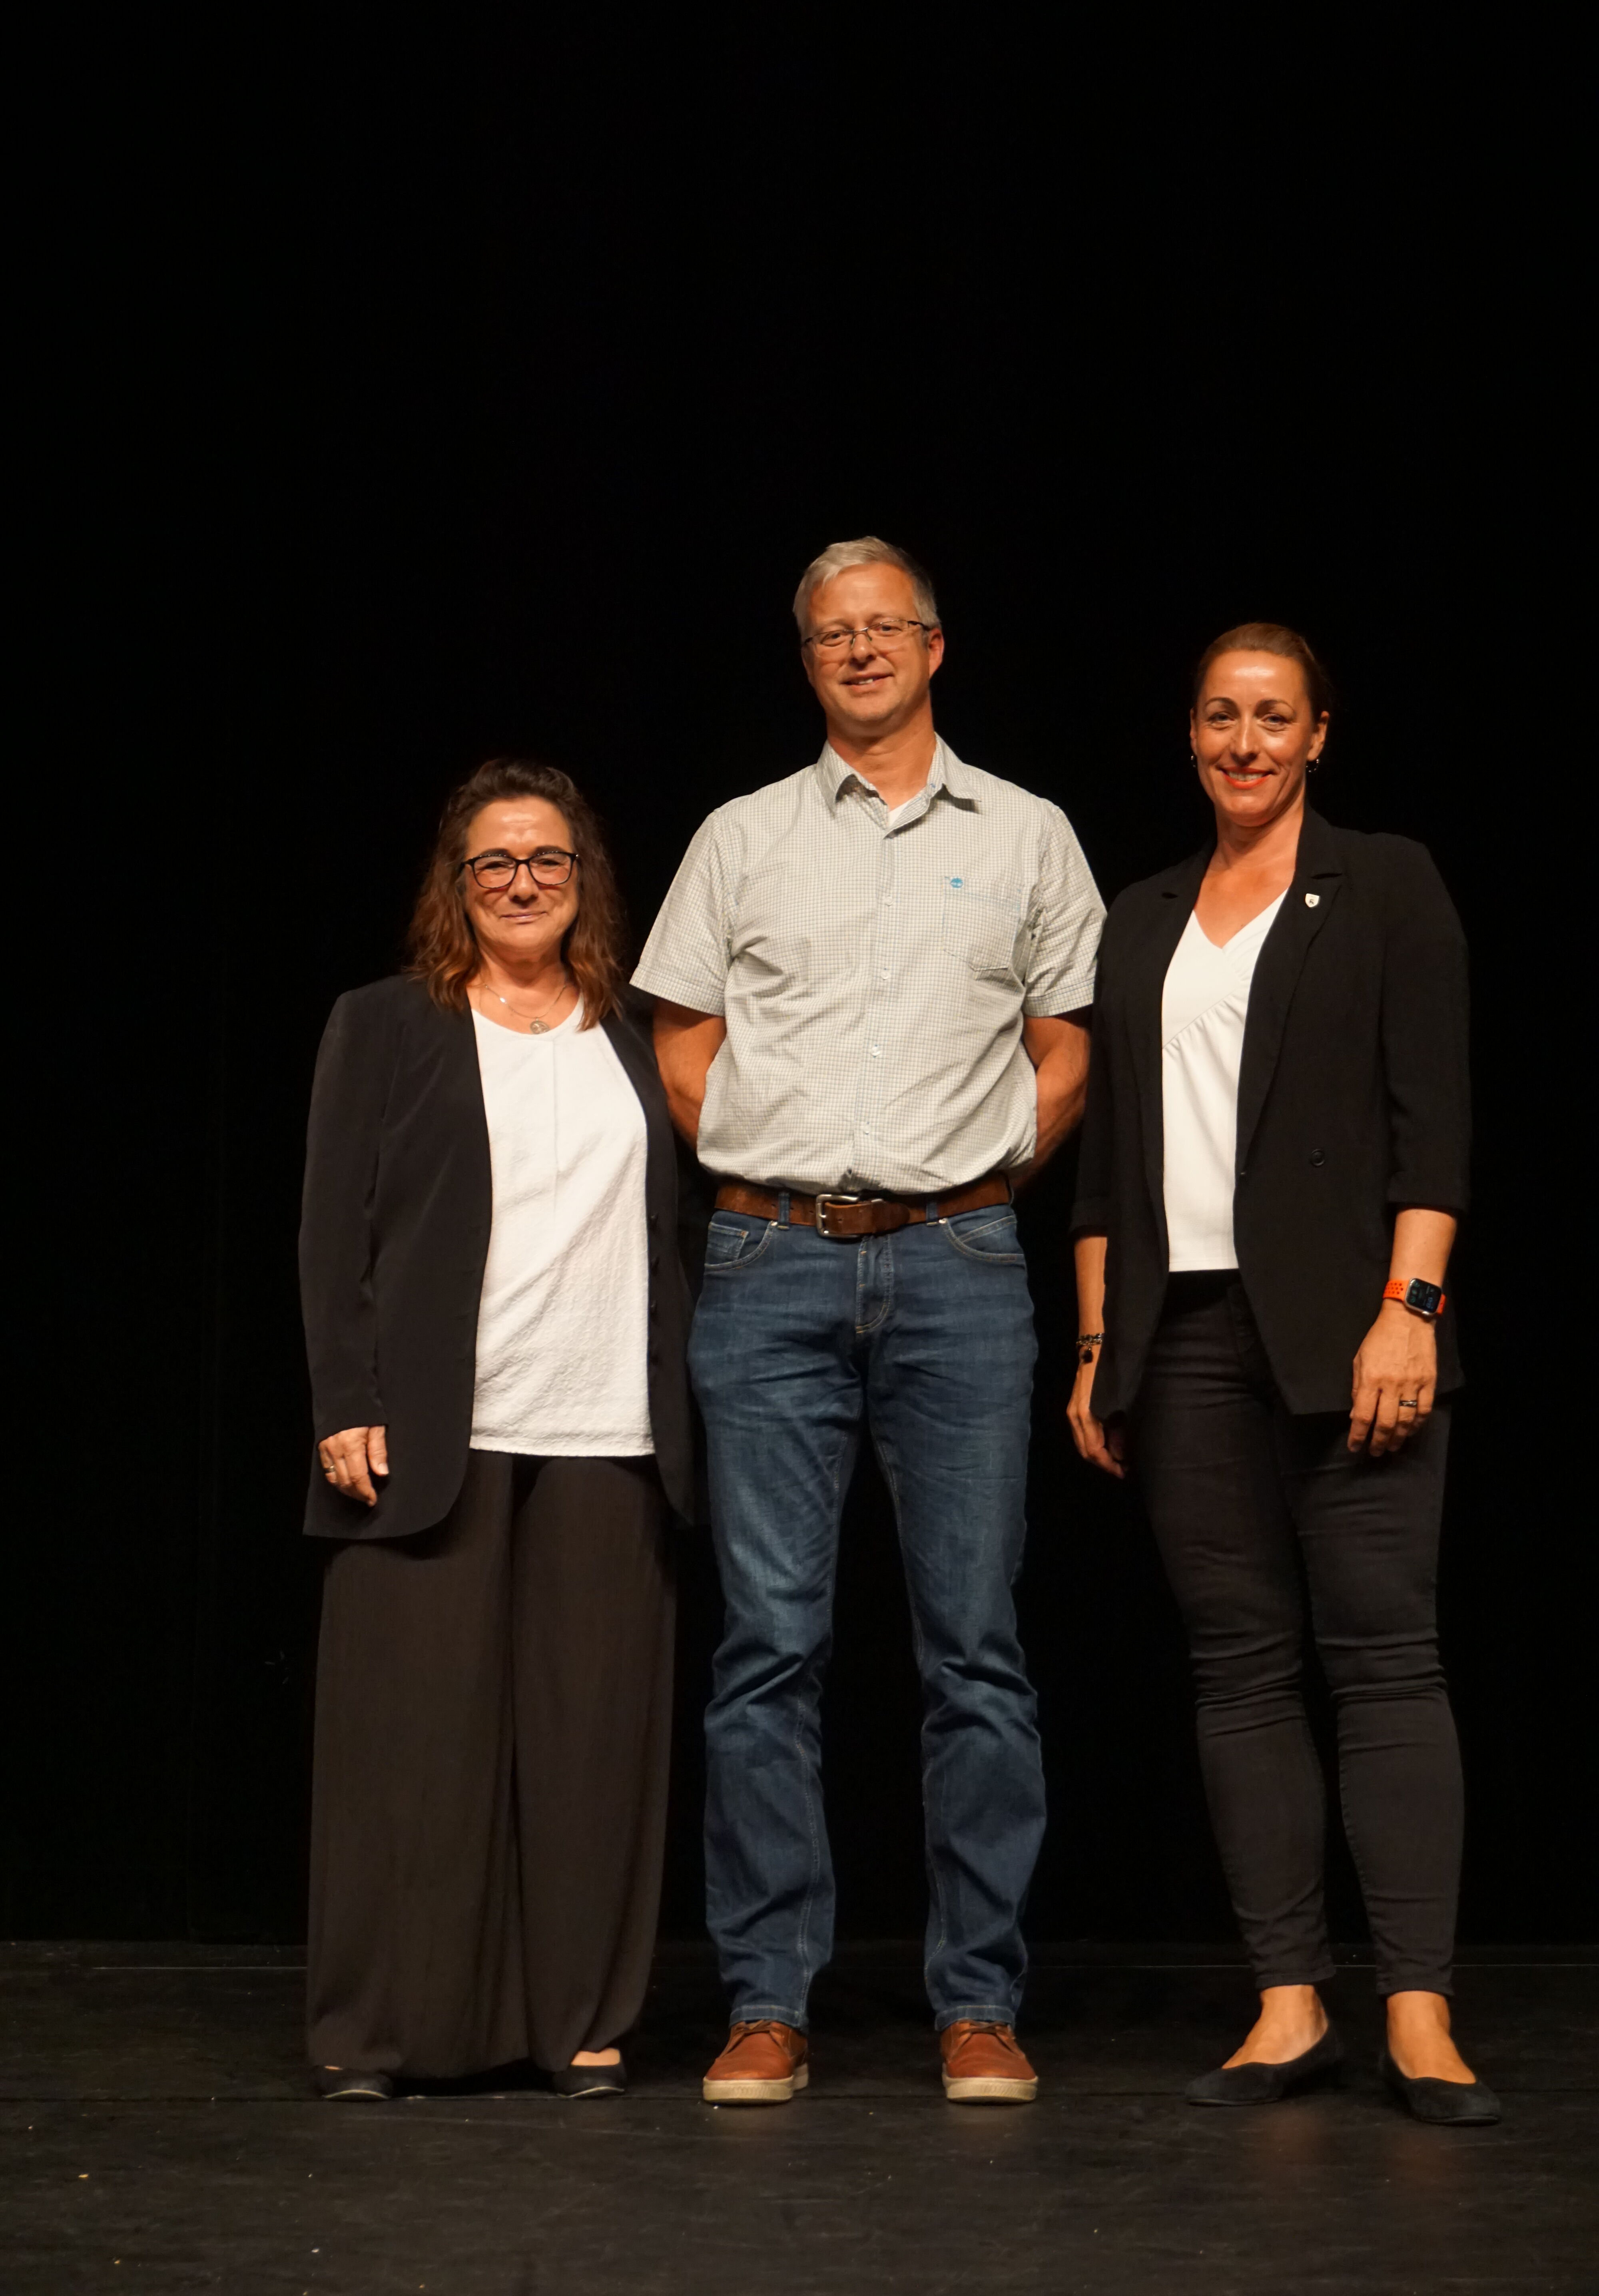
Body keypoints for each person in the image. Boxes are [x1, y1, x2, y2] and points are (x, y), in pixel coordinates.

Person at [634, 536, 1105, 2105]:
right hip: (769, 1263)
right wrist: (764, 1167)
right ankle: (768, 2000)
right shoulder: (741, 836)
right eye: (832, 633)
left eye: (885, 627)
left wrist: (976, 1181)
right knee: (768, 1647)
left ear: (935, 646)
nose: (859, 650)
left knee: (975, 1650)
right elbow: (682, 1040)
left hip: (958, 1267)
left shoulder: (1029, 833)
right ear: (807, 658)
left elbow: (1064, 1049)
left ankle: (978, 2001)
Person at [1068, 624, 1499, 2126]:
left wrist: (1412, 1310)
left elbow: (1433, 1122)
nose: (1243, 743)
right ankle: (1289, 2003)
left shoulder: (1385, 882)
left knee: (1385, 1660)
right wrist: (1099, 1344)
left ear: (1319, 734)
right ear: (1190, 736)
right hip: (1180, 1338)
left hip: (1348, 1331)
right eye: (1218, 717)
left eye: (1272, 717)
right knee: (1240, 1670)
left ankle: (1420, 2012)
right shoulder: (1143, 915)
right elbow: (1110, 1166)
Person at [299, 758, 694, 2101]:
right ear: (457, 884)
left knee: (591, 1747)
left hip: (610, 1428)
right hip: (431, 1433)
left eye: (547, 860)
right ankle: (381, 2033)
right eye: (495, 863)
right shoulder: (386, 1023)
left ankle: (575, 2018)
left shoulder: (641, 1031)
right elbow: (331, 1228)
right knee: (411, 1747)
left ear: (584, 879)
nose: (523, 883)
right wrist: (344, 1398)